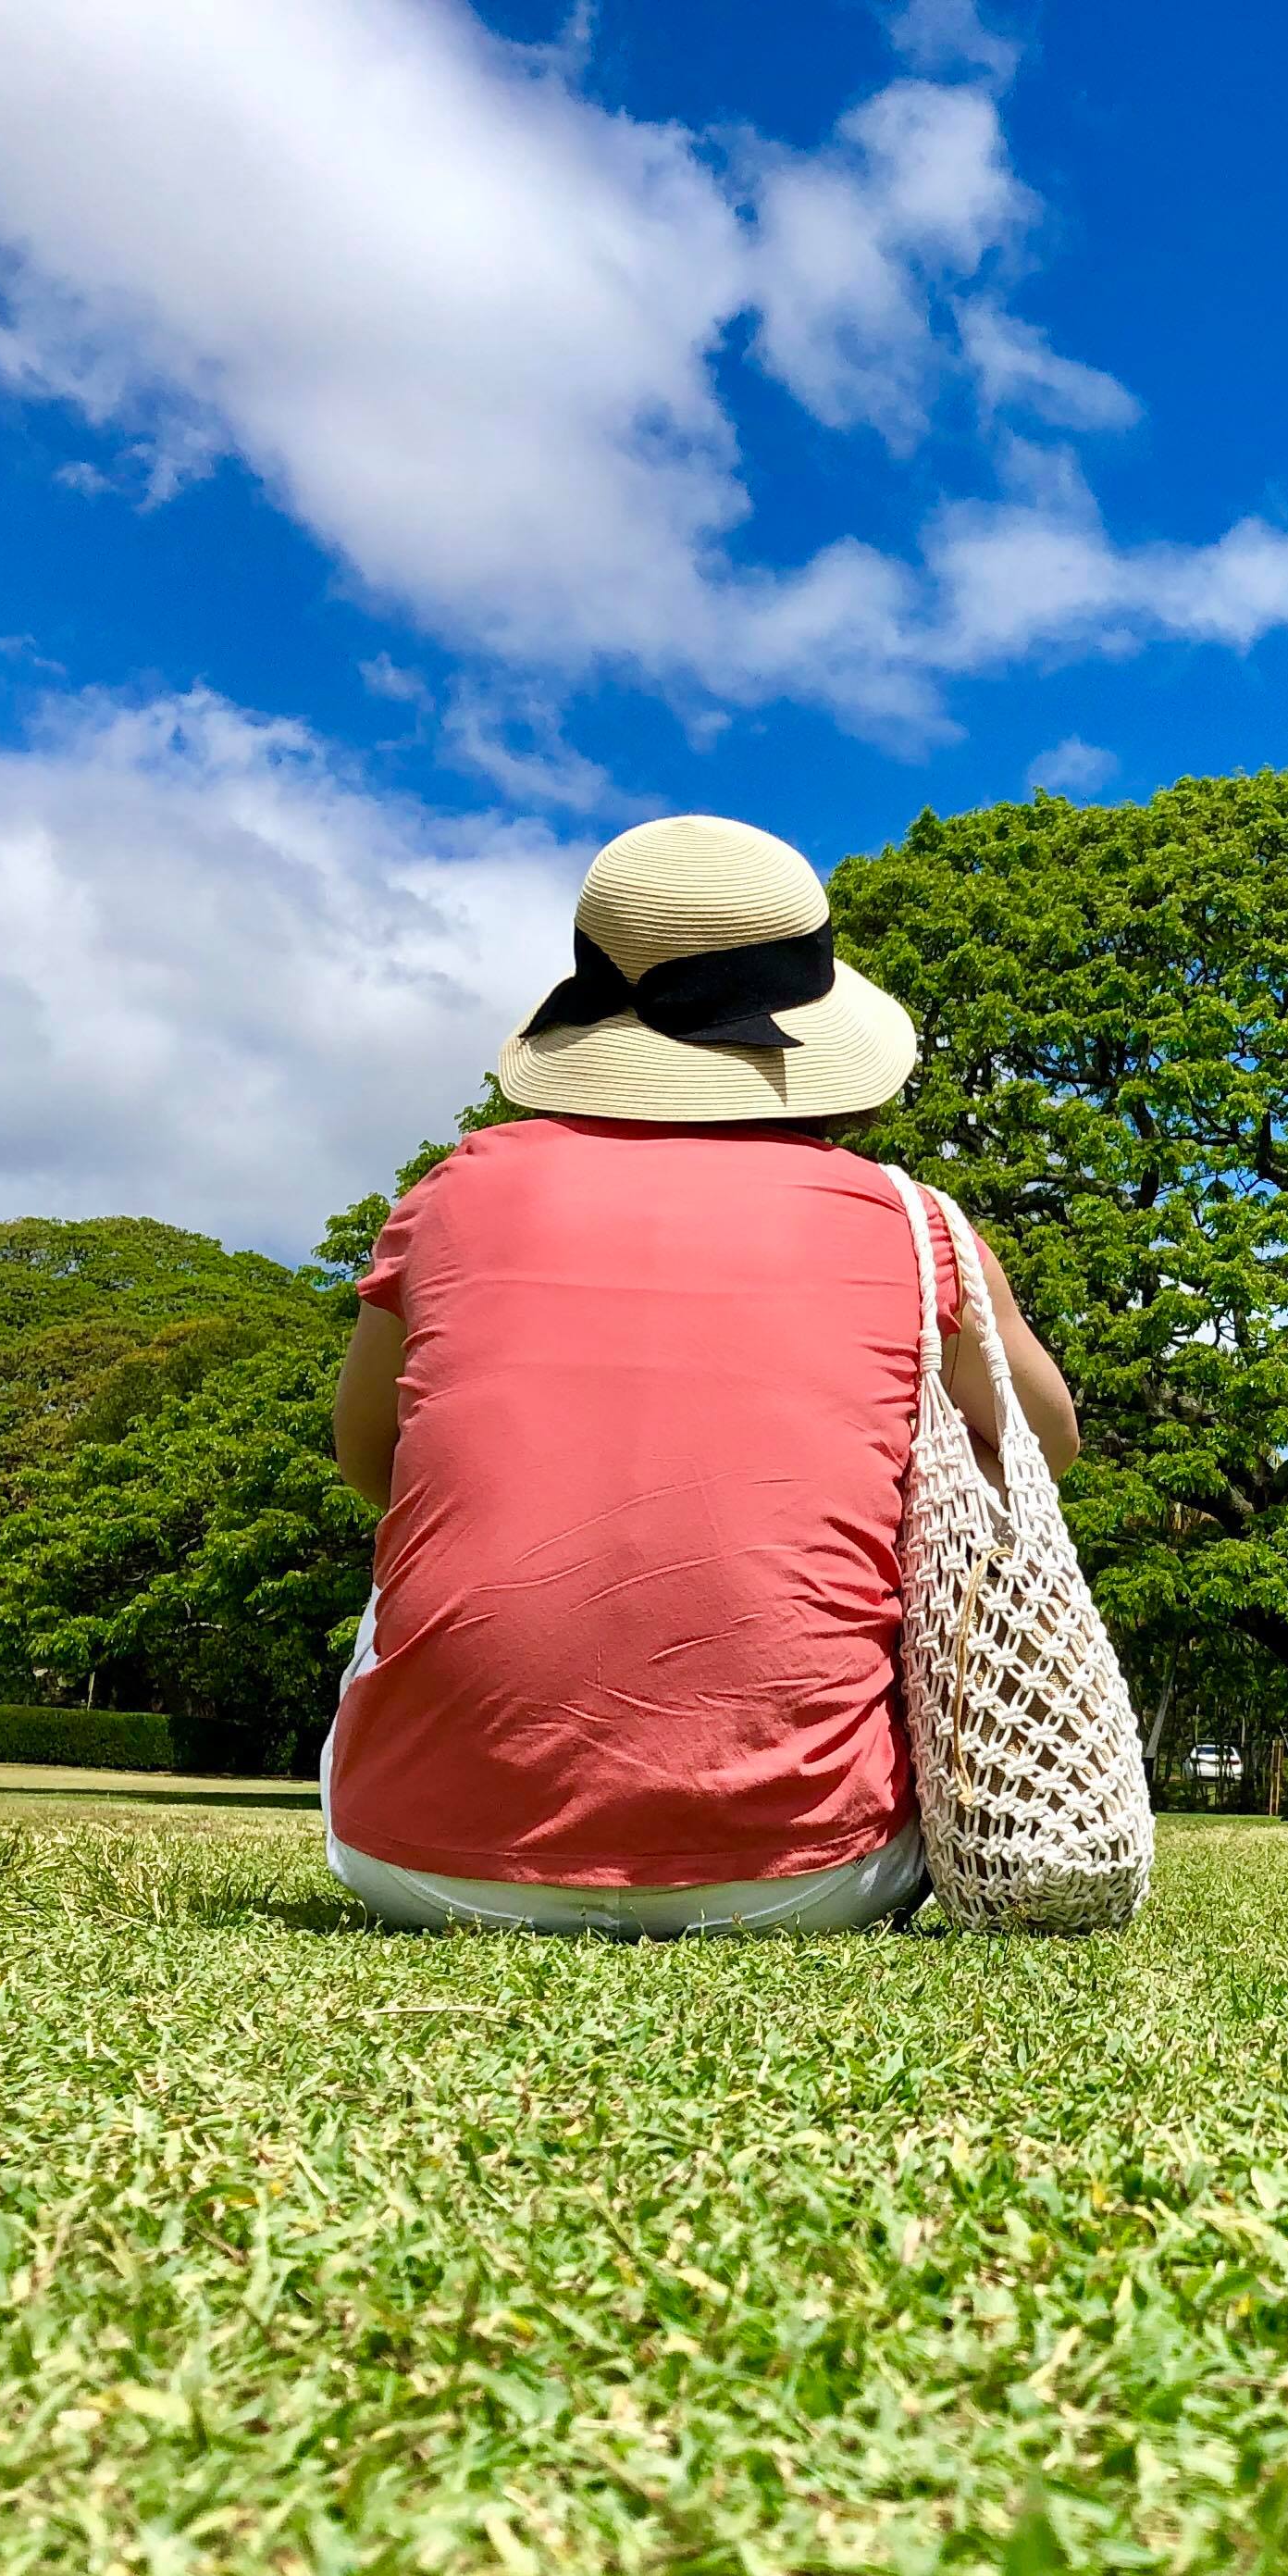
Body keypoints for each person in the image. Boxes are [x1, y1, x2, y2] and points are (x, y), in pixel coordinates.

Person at [321, 814, 1078, 1938]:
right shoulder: (912, 1224)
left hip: (416, 1865)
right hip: (810, 1879)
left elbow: (368, 1456)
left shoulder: (447, 1196)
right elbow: (1041, 1448)